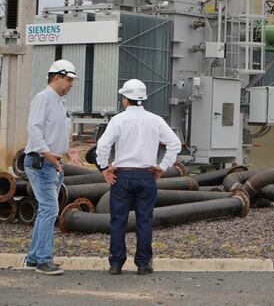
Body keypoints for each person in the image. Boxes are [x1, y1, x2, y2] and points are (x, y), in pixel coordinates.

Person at [96, 79, 182, 276]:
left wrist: (104, 168)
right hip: (146, 176)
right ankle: (143, 264)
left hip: (122, 176)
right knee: (144, 220)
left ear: (125, 99)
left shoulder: (118, 120)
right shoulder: (156, 120)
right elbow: (175, 144)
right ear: (143, 99)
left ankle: (116, 263)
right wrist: (162, 167)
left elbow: (102, 146)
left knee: (118, 220)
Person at [23, 59, 84, 275]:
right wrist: (48, 154)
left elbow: (54, 132)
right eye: (68, 80)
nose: (71, 85)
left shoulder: (57, 102)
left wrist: (68, 150)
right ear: (56, 77)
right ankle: (43, 260)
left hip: (52, 162)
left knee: (46, 210)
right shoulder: (43, 98)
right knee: (50, 209)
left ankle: (33, 258)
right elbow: (35, 129)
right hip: (41, 162)